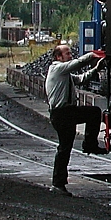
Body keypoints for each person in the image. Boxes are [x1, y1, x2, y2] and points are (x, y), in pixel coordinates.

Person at [45, 44, 105, 196]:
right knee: (65, 147)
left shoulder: (64, 75)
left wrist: (96, 69)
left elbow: (80, 79)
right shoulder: (57, 68)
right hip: (62, 113)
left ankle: (59, 182)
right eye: (67, 53)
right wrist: (92, 55)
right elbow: (76, 64)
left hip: (66, 113)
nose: (70, 55)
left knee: (65, 147)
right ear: (59, 57)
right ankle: (89, 144)